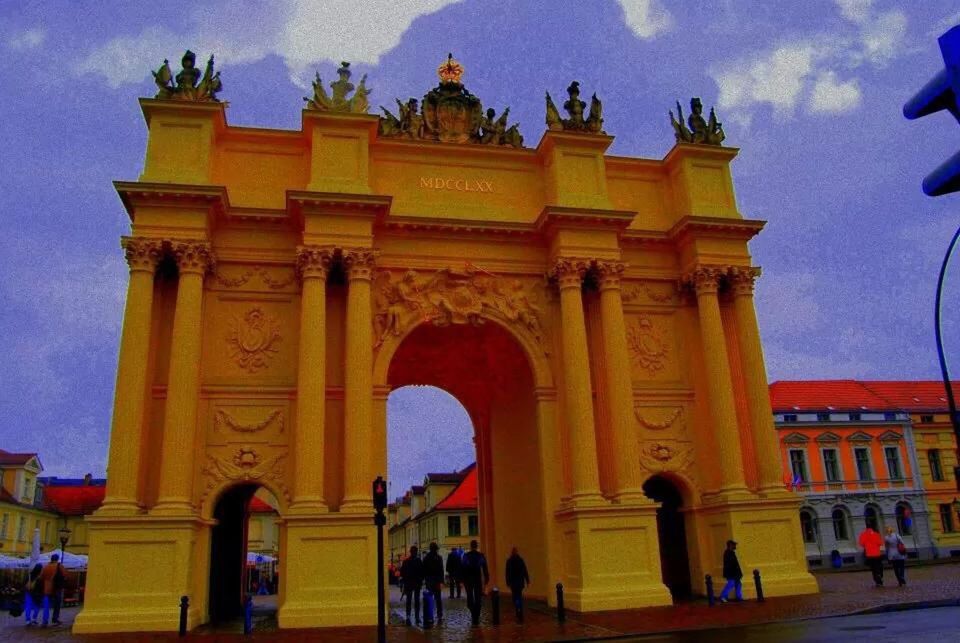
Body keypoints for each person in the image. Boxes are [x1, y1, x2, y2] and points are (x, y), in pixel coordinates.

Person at [461, 540, 489, 626]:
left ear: (470, 546)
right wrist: (487, 578)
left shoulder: (466, 556)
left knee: (470, 598)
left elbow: (463, 568)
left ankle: (474, 614)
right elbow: (485, 568)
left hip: (468, 580)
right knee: (478, 598)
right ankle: (476, 615)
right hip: (477, 579)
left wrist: (462, 579)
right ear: (476, 546)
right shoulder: (480, 556)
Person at [399, 546, 424, 625]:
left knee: (409, 601)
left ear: (410, 552)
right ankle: (416, 617)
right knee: (416, 601)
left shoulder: (406, 561)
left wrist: (405, 581)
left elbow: (402, 573)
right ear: (416, 552)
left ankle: (408, 616)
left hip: (409, 584)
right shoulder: (419, 561)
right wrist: (420, 580)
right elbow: (422, 573)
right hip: (416, 583)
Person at [505, 547, 530, 622]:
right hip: (520, 582)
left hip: (513, 582)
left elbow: (507, 573)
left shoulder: (509, 561)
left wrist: (508, 582)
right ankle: (520, 610)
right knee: (519, 596)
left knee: (515, 597)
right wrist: (527, 580)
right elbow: (525, 570)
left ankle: (518, 609)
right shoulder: (520, 560)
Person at [39, 553, 64, 627]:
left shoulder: (46, 567)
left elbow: (41, 577)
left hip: (47, 588)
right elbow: (66, 576)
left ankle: (45, 621)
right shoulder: (60, 566)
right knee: (57, 605)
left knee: (46, 605)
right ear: (57, 559)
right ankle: (55, 619)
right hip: (57, 588)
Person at [423, 542, 445, 623]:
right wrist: (441, 581)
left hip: (429, 580)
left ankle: (430, 615)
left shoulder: (426, 558)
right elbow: (441, 570)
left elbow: (424, 570)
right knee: (438, 598)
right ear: (436, 549)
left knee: (429, 598)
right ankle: (439, 615)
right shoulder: (439, 558)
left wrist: (425, 579)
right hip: (437, 580)